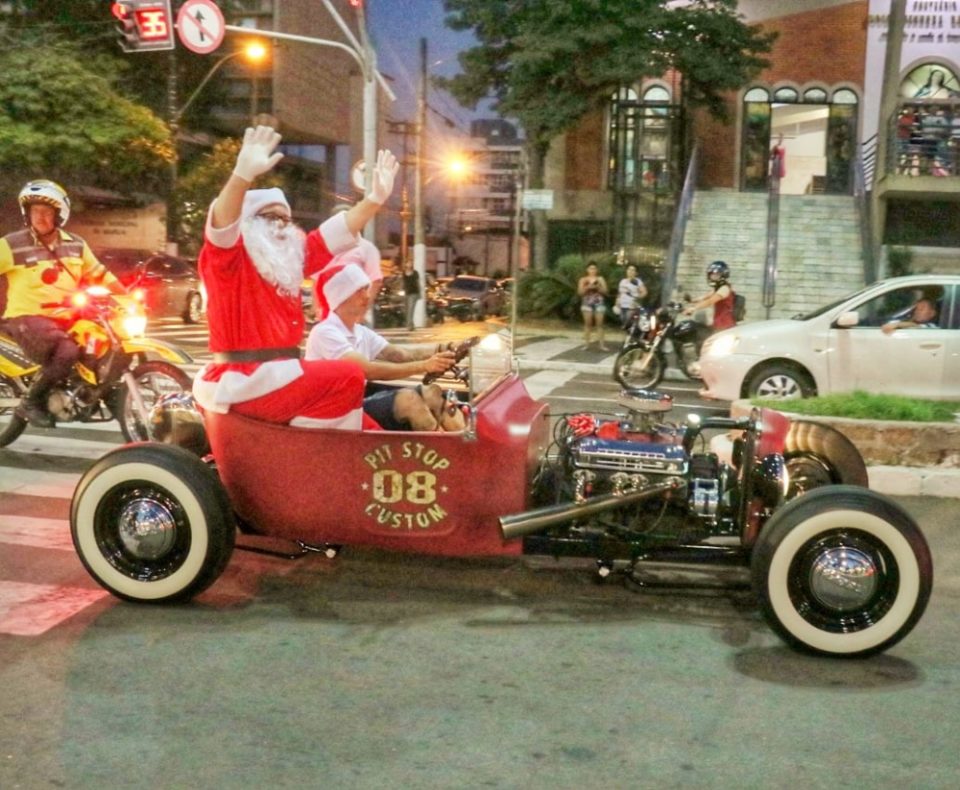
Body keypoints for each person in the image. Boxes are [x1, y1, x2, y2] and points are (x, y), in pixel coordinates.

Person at [192, 125, 399, 429]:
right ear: (247, 224)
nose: (281, 226)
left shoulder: (287, 262)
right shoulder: (230, 259)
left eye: (286, 219)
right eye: (270, 217)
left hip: (283, 375)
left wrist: (374, 201)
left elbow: (333, 233)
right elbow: (222, 223)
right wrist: (241, 176)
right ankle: (318, 459)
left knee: (375, 429)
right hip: (246, 380)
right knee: (348, 375)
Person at [0, 180, 125, 427]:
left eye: (46, 212)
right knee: (67, 350)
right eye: (34, 211)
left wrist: (126, 297)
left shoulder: (76, 245)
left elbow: (101, 275)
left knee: (102, 342)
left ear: (60, 215)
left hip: (68, 316)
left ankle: (91, 392)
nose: (40, 217)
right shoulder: (11, 245)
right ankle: (31, 402)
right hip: (27, 318)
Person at [303, 263, 459, 430]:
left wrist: (445, 349)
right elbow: (366, 370)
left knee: (432, 393)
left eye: (366, 289)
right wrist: (424, 366)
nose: (367, 296)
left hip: (354, 408)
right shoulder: (325, 332)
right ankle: (443, 450)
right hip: (332, 414)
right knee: (408, 400)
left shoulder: (361, 332)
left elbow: (399, 355)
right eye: (359, 291)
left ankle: (464, 447)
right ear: (341, 297)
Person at [684, 260, 737, 331]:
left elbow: (710, 301)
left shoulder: (724, 289)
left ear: (723, 275)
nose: (712, 277)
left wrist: (694, 308)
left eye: (716, 275)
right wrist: (690, 300)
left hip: (725, 326)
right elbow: (704, 297)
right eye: (711, 274)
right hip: (718, 324)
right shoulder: (718, 289)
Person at [577, 262, 609, 350]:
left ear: (597, 270)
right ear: (587, 270)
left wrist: (598, 288)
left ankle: (602, 345)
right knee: (588, 324)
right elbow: (580, 292)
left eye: (594, 268)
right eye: (591, 268)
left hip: (599, 303)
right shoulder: (583, 279)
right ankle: (586, 344)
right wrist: (587, 288)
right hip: (587, 303)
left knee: (600, 324)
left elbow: (606, 292)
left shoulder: (600, 279)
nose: (592, 270)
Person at [616, 263, 647, 330]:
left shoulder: (638, 281)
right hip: (622, 306)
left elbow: (644, 292)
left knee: (629, 324)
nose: (630, 271)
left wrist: (637, 298)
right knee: (623, 324)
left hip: (631, 307)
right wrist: (617, 302)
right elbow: (619, 293)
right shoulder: (622, 281)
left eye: (633, 270)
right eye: (629, 269)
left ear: (636, 273)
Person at [402, 260, 421, 330]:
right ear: (405, 264)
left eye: (411, 263)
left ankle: (409, 326)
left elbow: (418, 283)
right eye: (408, 263)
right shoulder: (403, 273)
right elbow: (403, 282)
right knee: (407, 309)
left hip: (414, 292)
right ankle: (411, 325)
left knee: (410, 309)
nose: (409, 264)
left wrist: (420, 293)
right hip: (407, 292)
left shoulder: (415, 273)